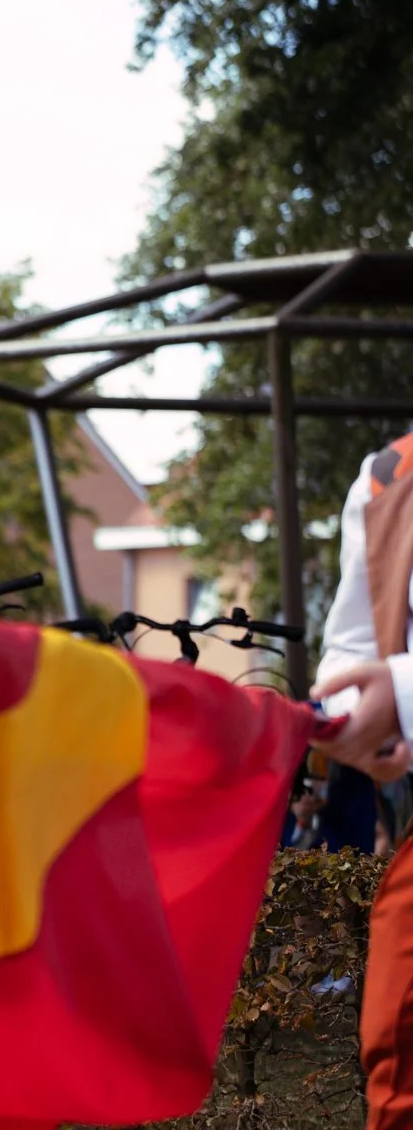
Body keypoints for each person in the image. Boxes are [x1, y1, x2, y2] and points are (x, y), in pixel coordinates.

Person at [306, 432, 413, 1129]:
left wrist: (400, 693)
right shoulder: (387, 474)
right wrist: (350, 712)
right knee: (396, 1059)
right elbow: (349, 643)